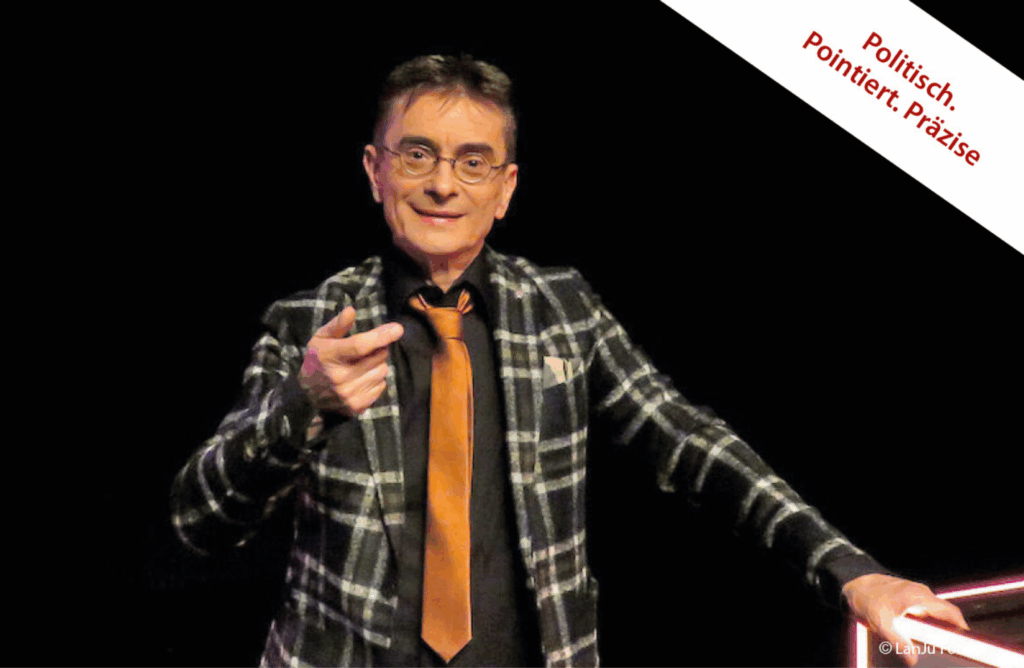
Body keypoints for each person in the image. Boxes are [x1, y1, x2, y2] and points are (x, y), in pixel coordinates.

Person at [171, 54, 969, 667]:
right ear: (376, 171)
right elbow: (198, 521)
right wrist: (301, 406)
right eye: (417, 155)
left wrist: (851, 571)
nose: (444, 184)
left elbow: (689, 442)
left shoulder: (562, 308)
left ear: (505, 188)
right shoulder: (309, 322)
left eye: (473, 162)